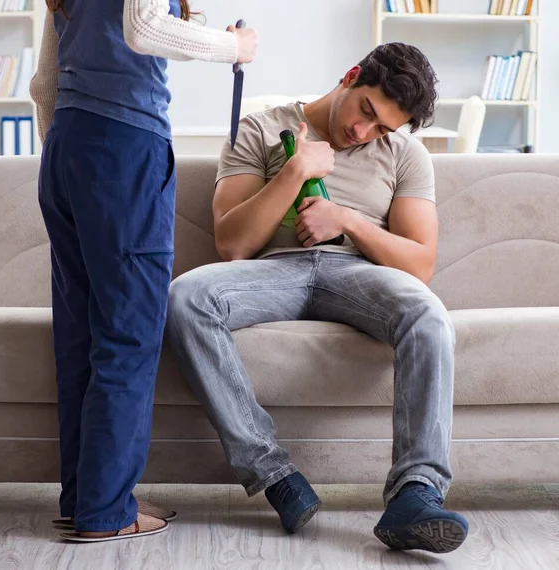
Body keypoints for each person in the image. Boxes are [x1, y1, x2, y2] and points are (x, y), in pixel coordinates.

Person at [166, 42, 469, 553]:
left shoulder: (406, 156)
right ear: (352, 76)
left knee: (428, 315)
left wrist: (347, 220)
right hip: (272, 271)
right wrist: (294, 173)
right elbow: (232, 243)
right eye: (366, 111)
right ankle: (275, 474)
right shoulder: (261, 128)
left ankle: (416, 495)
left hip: (358, 275)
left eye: (381, 129)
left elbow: (420, 264)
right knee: (187, 297)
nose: (362, 132)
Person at [29, 0, 258, 543]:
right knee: (128, 337)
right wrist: (235, 48)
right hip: (123, 150)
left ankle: (89, 497)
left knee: (81, 336)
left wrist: (71, 155)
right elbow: (144, 27)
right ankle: (106, 510)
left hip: (68, 148)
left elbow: (44, 84)